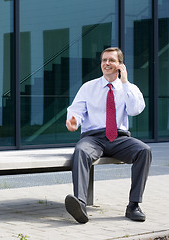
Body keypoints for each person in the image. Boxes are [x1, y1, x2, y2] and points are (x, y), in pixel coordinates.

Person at [65, 47, 152, 224]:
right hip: (93, 138)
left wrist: (125, 82)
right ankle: (80, 204)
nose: (106, 63)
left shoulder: (129, 89)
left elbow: (135, 110)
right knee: (80, 151)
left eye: (111, 60)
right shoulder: (89, 87)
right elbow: (76, 111)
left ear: (120, 64)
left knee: (144, 151)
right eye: (104, 60)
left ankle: (133, 205)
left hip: (120, 138)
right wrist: (73, 120)